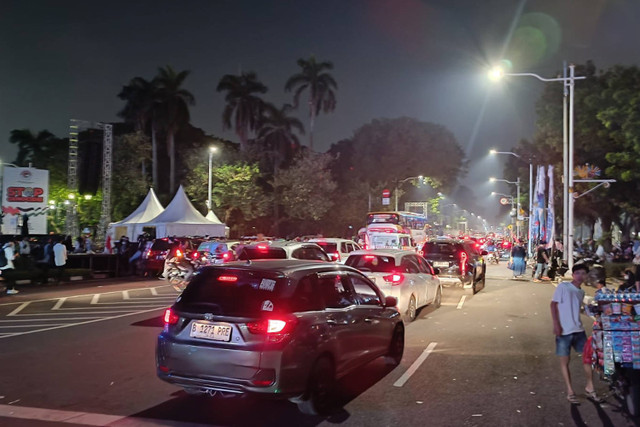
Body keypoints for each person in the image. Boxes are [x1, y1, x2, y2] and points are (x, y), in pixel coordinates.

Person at [550, 263, 602, 404]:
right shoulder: (563, 287)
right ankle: (570, 391)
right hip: (564, 331)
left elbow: (576, 308)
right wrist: (556, 325)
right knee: (565, 362)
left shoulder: (581, 292)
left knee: (588, 359)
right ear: (573, 275)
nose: (580, 276)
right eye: (577, 273)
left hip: (579, 330)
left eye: (583, 273)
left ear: (586, 276)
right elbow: (553, 305)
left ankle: (590, 387)